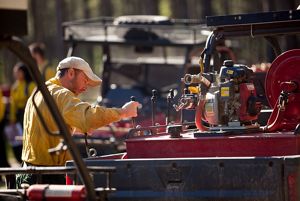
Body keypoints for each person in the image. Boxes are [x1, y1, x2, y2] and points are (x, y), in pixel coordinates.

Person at [16, 56, 140, 187]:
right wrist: (123, 112)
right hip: (47, 176)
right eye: (85, 80)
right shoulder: (62, 95)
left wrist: (75, 127)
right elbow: (88, 116)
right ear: (70, 73)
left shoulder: (40, 91)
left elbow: (49, 124)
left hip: (28, 172)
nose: (86, 87)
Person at [9, 63, 35, 163]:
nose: (16, 74)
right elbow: (13, 104)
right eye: (15, 72)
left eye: (18, 72)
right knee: (20, 139)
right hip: (19, 116)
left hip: (29, 114)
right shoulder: (15, 87)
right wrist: (12, 118)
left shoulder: (31, 85)